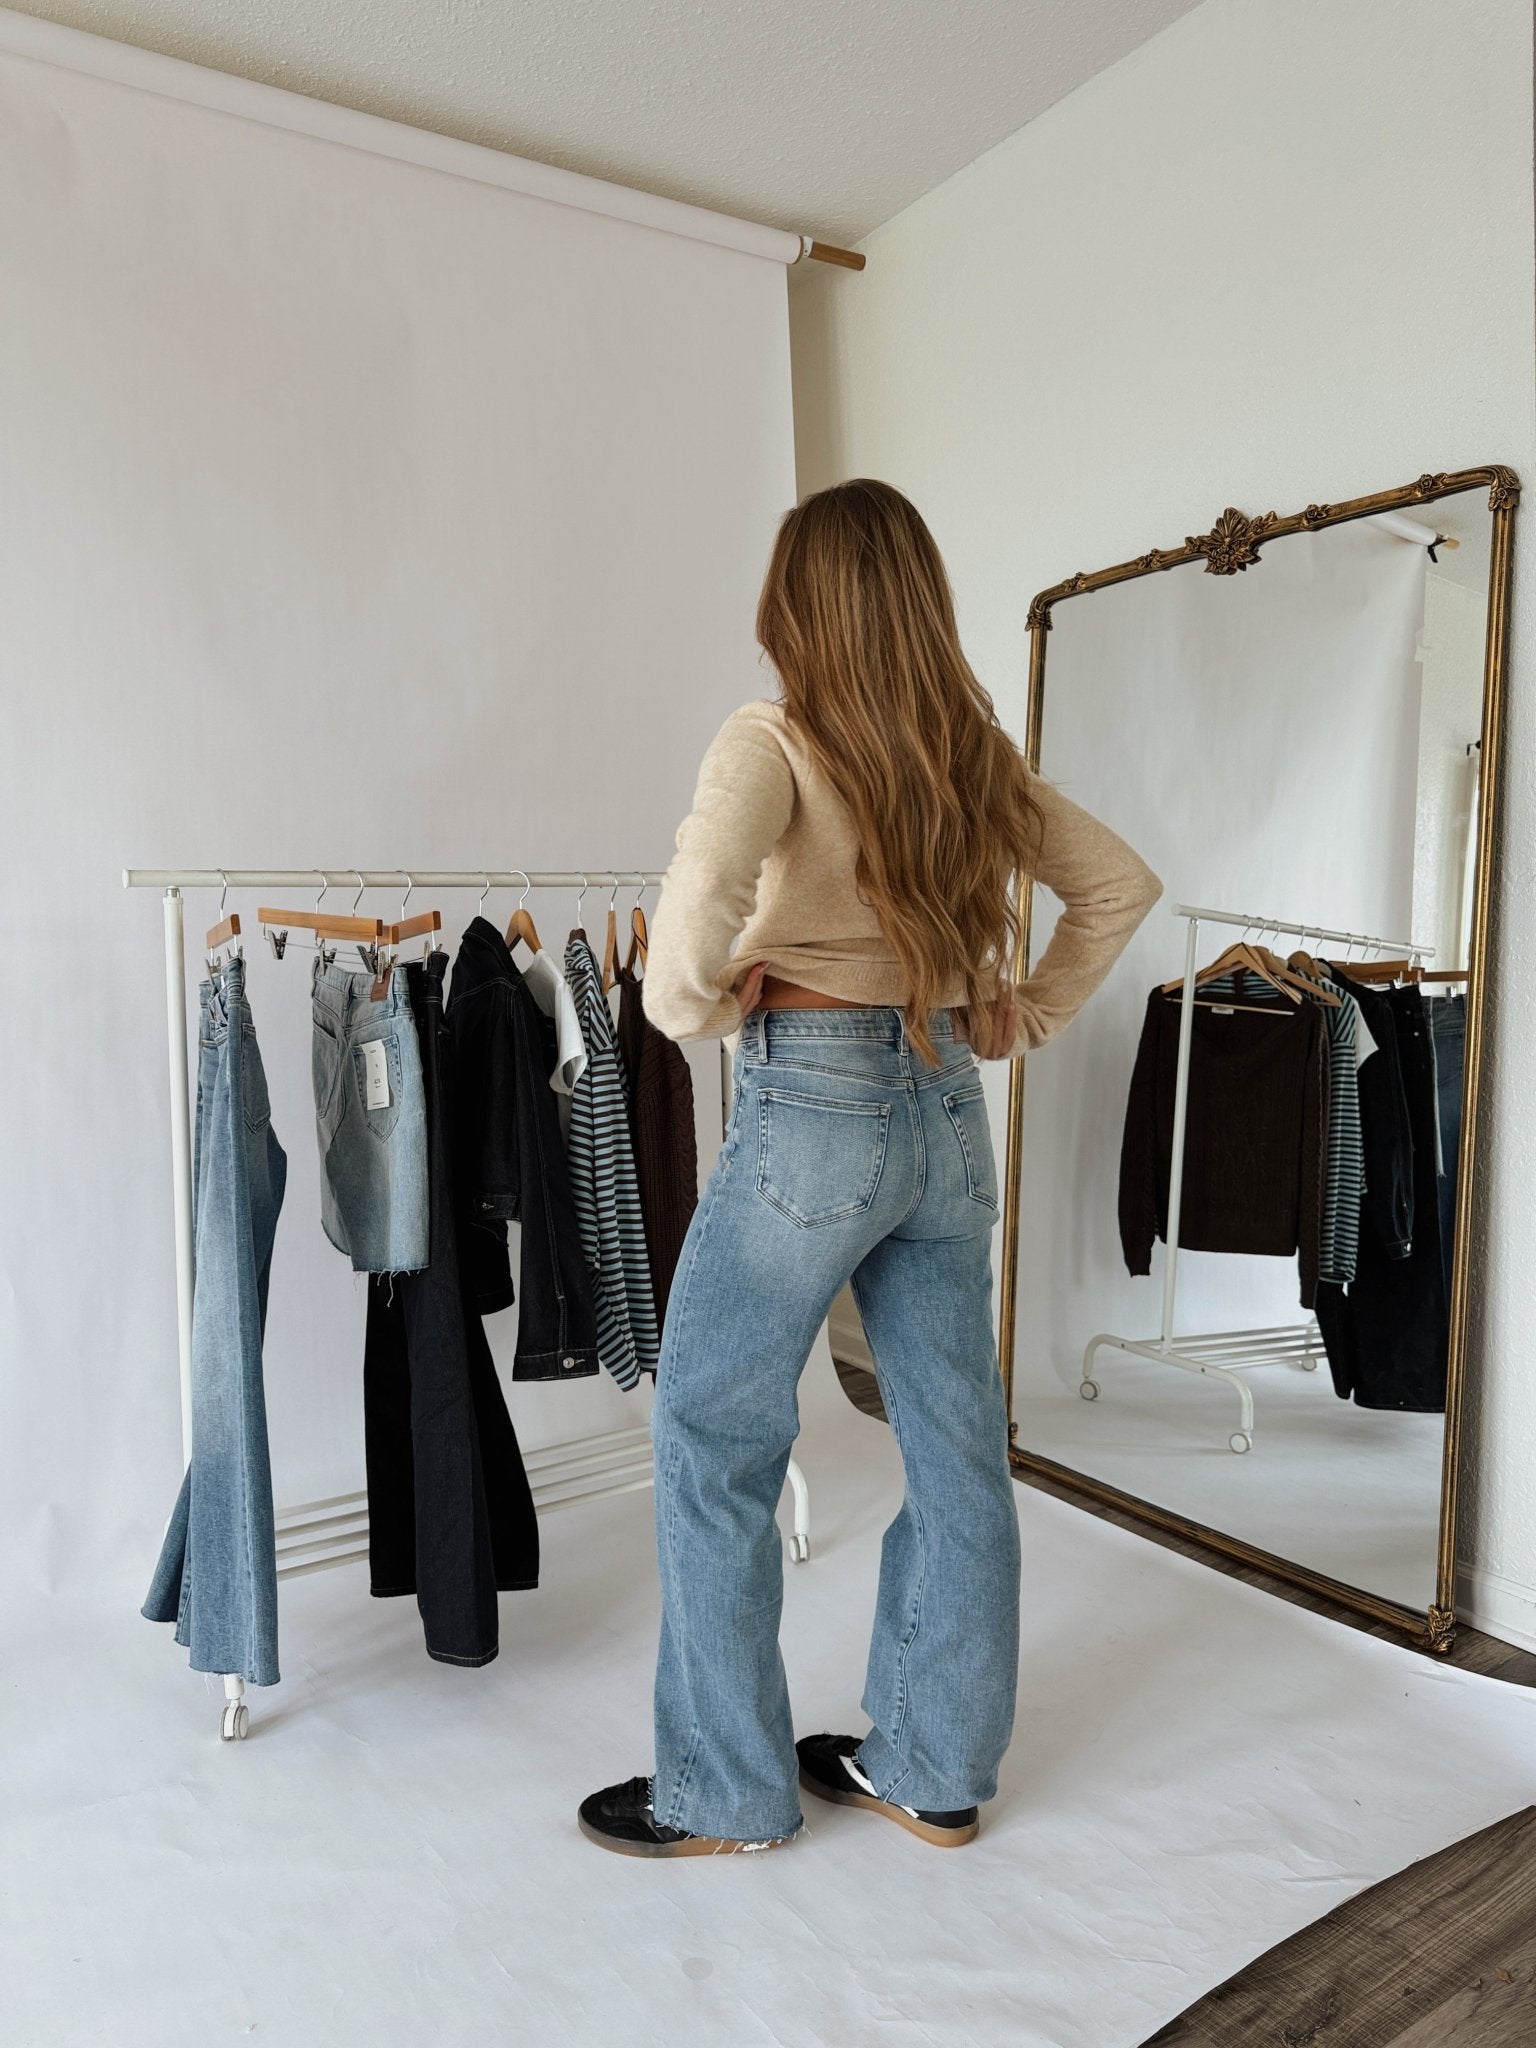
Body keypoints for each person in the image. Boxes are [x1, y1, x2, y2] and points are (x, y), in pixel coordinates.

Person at [578, 479, 1161, 1858]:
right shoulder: (967, 755)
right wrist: (1023, 1009)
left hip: (813, 1105)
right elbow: (1119, 884)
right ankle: (932, 1769)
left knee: (714, 1435)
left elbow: (688, 926)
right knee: (958, 1447)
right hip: (946, 1105)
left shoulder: (774, 739)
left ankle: (723, 1792)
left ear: (798, 604)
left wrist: (706, 1007)